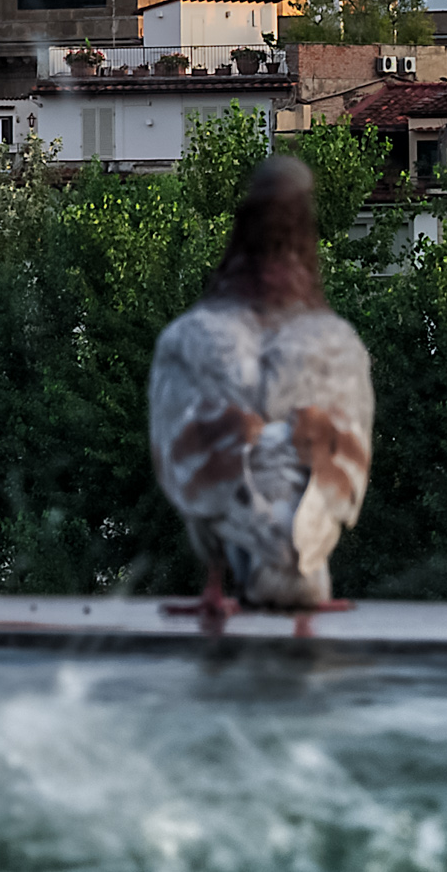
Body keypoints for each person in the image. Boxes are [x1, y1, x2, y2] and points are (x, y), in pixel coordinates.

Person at [149, 155, 374, 615]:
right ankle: (304, 564)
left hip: (232, 503)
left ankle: (215, 583)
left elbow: (190, 458)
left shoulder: (190, 340)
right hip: (303, 550)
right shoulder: (337, 344)